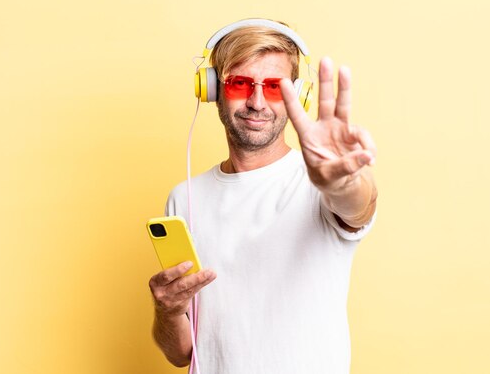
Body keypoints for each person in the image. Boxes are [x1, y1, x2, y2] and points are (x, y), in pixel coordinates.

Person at [148, 19, 378, 374]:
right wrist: (168, 310)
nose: (257, 102)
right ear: (211, 89)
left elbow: (357, 206)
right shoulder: (185, 198)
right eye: (240, 83)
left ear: (298, 96)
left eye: (274, 87)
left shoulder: (319, 183)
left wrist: (343, 185)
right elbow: (181, 353)